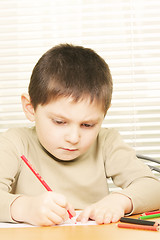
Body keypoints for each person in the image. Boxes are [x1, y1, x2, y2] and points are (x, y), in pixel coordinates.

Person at [0, 44, 160, 226]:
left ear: (104, 115)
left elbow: (154, 188)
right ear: (30, 108)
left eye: (88, 124)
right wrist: (24, 207)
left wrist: (119, 201)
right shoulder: (14, 143)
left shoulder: (107, 142)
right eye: (59, 122)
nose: (74, 137)